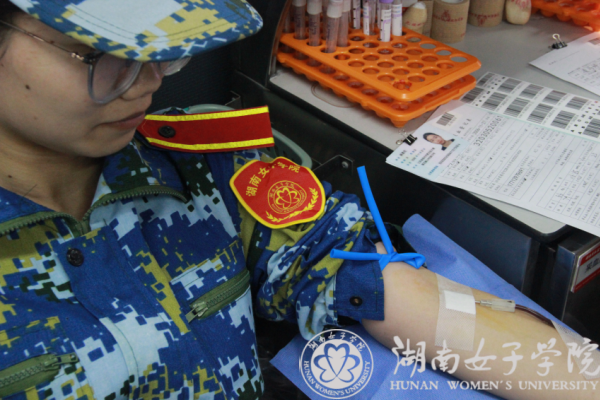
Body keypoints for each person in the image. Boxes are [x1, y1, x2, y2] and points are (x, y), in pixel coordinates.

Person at [0, 2, 596, 400]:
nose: (152, 79)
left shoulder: (200, 168)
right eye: (103, 53)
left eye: (163, 48)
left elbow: (377, 283)